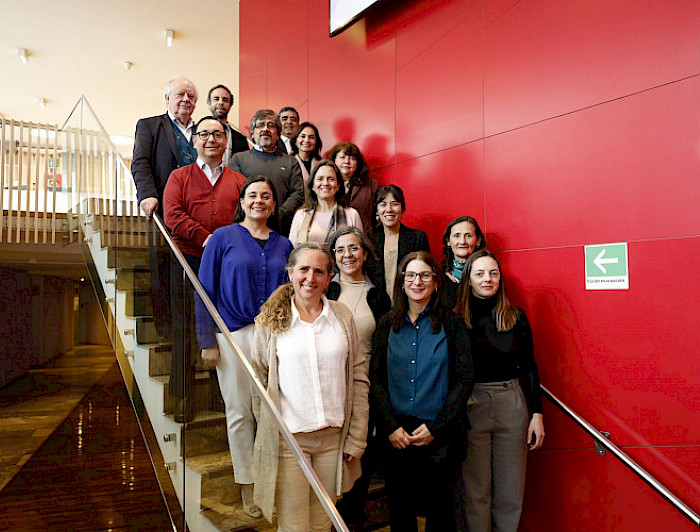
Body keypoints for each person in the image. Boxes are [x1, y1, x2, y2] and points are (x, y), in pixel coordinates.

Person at [250, 242, 369, 530]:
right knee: (294, 526)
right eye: (303, 269)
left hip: (334, 442)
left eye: (319, 271)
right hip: (290, 442)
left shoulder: (342, 317)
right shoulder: (270, 321)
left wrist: (357, 437)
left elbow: (358, 378)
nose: (310, 278)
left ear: (329, 278)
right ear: (290, 273)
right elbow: (258, 381)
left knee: (322, 524)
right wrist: (271, 430)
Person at [197, 176, 293, 519]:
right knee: (240, 412)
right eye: (252, 195)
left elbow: (292, 295)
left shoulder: (285, 245)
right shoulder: (223, 238)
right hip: (231, 334)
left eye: (266, 196)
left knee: (274, 411)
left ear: (273, 204)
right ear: (242, 202)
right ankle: (248, 486)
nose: (259, 201)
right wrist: (207, 340)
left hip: (276, 335)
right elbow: (204, 290)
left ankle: (273, 479)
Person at [370, 251, 473, 531]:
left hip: (440, 433)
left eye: (425, 275)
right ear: (402, 281)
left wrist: (438, 428)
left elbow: (464, 380)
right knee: (401, 513)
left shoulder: (453, 325)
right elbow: (375, 379)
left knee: (441, 513)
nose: (418, 281)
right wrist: (390, 427)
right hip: (398, 434)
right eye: (411, 275)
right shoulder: (386, 325)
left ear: (436, 282)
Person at [163, 115, 247, 422]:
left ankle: (220, 396)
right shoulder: (179, 176)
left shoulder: (239, 181)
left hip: (226, 266)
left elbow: (244, 220)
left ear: (225, 142)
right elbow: (172, 215)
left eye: (217, 134)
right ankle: (183, 397)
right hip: (188, 260)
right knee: (184, 329)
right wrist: (207, 239)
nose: (211, 139)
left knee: (224, 330)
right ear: (194, 141)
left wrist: (224, 245)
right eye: (204, 134)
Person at [454, 249, 545, 532]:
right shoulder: (455, 319)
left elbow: (529, 366)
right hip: (472, 405)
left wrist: (537, 414)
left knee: (510, 489)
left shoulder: (515, 317)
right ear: (468, 280)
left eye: (493, 273)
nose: (487, 279)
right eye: (480, 273)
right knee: (475, 490)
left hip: (511, 404)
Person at [326, 227, 391, 525]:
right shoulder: (325, 289)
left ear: (365, 253)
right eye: (340, 250)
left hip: (364, 388)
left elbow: (384, 348)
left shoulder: (378, 296)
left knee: (359, 457)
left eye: (353, 248)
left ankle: (352, 518)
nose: (347, 255)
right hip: (327, 387)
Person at [228, 109, 304, 235]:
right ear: (252, 133)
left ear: (278, 134)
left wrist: (277, 214)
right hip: (245, 229)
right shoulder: (238, 160)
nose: (265, 129)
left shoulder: (290, 162)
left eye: (271, 126)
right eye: (260, 125)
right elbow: (233, 193)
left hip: (281, 229)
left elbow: (298, 193)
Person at [132, 76, 198, 218]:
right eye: (180, 94)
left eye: (191, 96)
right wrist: (147, 195)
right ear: (167, 98)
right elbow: (140, 163)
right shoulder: (149, 126)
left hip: (199, 206)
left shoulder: (202, 131)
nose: (186, 99)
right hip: (164, 206)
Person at [370, 184, 430, 303]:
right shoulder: (369, 241)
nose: (389, 209)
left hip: (410, 306)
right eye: (383, 204)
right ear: (377, 210)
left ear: (402, 209)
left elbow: (426, 275)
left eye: (395, 204)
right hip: (378, 309)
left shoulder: (418, 238)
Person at [288, 160, 363, 246]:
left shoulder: (351, 215)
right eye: (320, 179)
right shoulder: (301, 215)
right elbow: (293, 252)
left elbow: (359, 248)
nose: (325, 183)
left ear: (338, 185)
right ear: (313, 185)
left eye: (331, 179)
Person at [328, 142, 378, 234]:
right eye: (342, 157)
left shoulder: (370, 185)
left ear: (358, 163)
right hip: (333, 238)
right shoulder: (326, 185)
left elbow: (378, 215)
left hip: (363, 238)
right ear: (334, 160)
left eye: (352, 158)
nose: (347, 161)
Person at [441, 215, 486, 310]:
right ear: (448, 240)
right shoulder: (438, 276)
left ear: (478, 240)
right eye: (457, 236)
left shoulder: (488, 274)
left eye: (468, 236)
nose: (462, 241)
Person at [206, 84, 249, 165]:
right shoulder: (197, 133)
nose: (220, 102)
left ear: (230, 105)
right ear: (209, 103)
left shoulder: (241, 139)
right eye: (216, 99)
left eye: (225, 100)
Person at [289, 121, 322, 188]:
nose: (307, 140)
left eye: (311, 137)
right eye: (303, 136)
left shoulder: (321, 164)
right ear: (295, 140)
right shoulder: (288, 163)